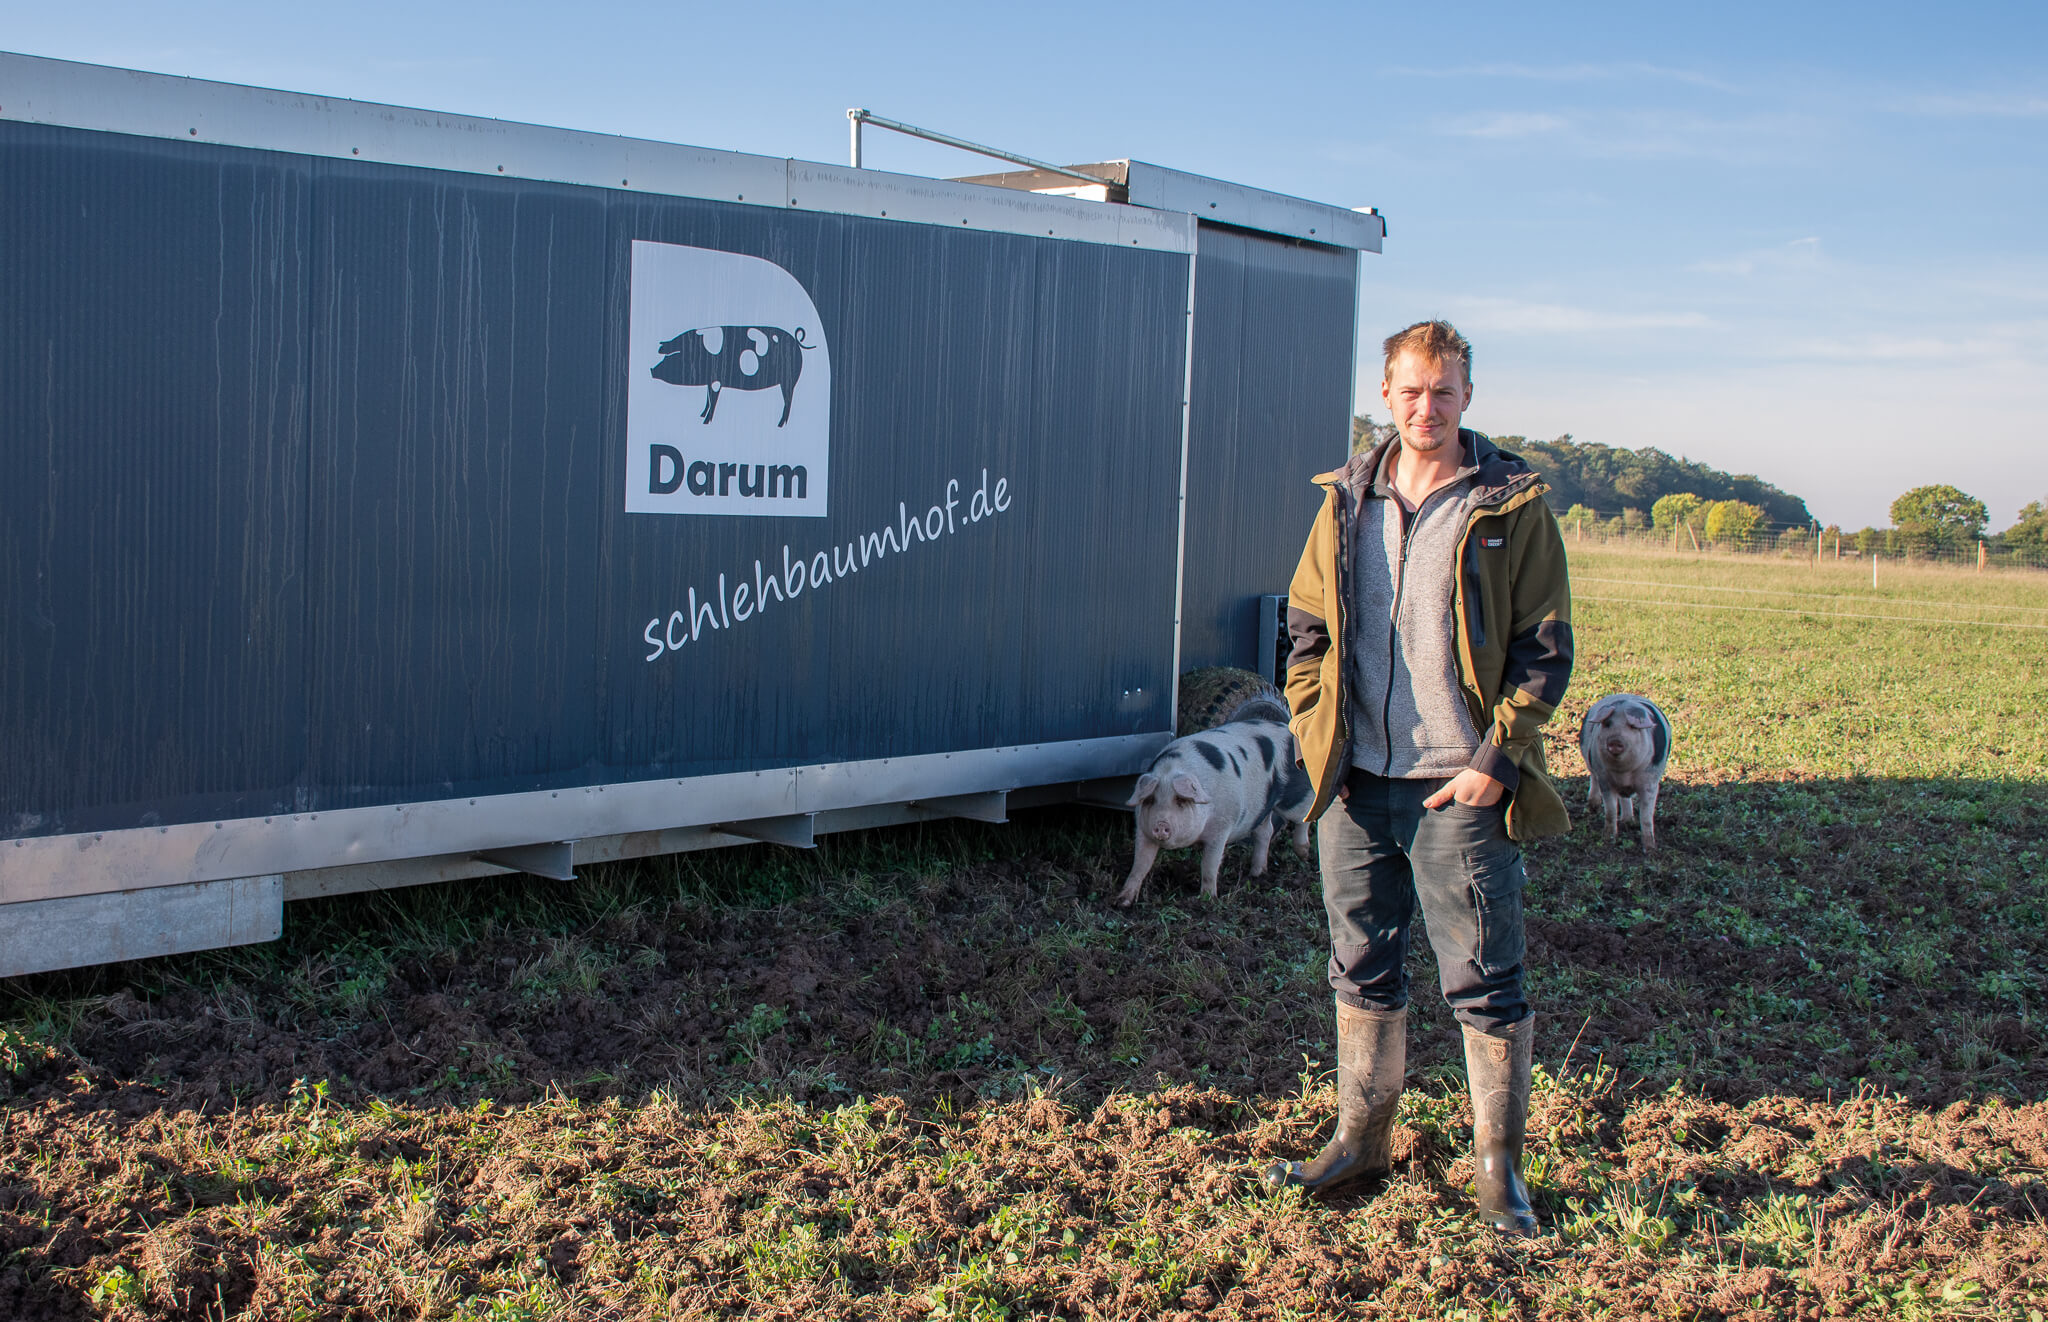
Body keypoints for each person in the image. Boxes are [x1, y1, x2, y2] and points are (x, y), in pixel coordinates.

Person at [1261, 320, 1573, 1237]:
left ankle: (1496, 1173)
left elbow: (1541, 651)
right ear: (1386, 396)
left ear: (1467, 396)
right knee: (1359, 964)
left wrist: (1492, 762)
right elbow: (1307, 625)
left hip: (1458, 786)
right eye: (1410, 392)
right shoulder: (1345, 498)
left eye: (1444, 392)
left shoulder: (1508, 507)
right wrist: (1314, 725)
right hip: (1355, 781)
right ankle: (1361, 1143)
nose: (1426, 408)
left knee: (1483, 978)